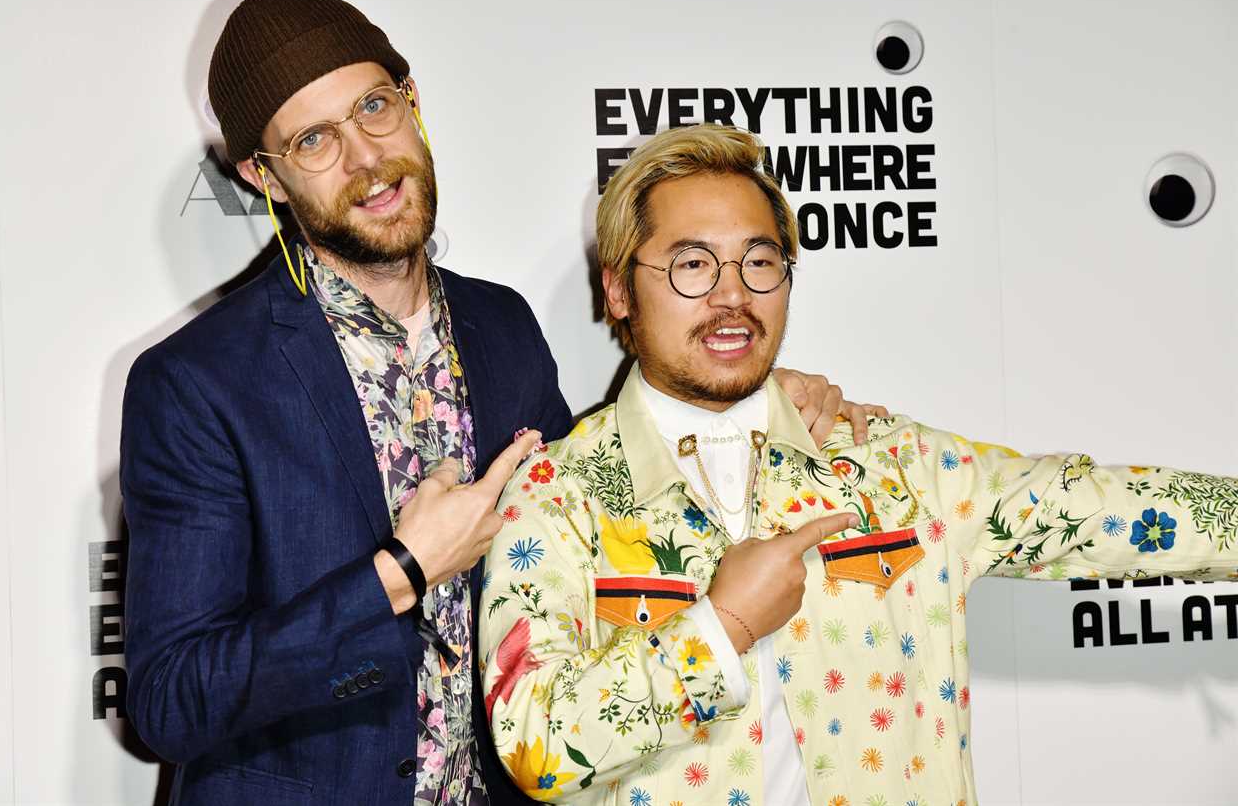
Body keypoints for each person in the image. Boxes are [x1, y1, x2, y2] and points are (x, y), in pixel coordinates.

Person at [120, 0, 882, 806]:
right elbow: (171, 700)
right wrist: (400, 573)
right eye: (314, 140)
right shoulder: (198, 383)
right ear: (262, 174)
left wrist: (744, 405)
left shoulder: (501, 324)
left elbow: (598, 498)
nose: (367, 158)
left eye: (375, 106)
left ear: (412, 103)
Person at [478, 122, 1238, 806]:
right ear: (617, 288)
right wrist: (721, 627)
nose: (733, 296)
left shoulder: (891, 463)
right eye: (691, 265)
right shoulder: (559, 492)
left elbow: (1103, 508)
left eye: (760, 261)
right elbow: (535, 745)